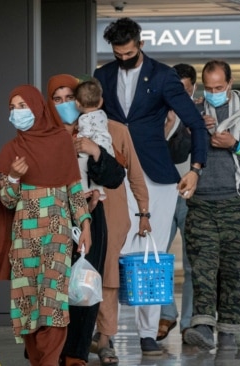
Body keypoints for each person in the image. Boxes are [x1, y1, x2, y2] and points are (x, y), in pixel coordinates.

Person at [94, 17, 208, 356]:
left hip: (158, 178)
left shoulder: (162, 76)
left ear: (140, 44)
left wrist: (196, 169)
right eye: (118, 54)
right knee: (109, 252)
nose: (124, 59)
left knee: (151, 257)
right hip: (115, 174)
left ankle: (147, 335)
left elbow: (196, 124)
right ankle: (106, 334)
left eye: (129, 53)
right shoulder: (103, 76)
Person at [0, 85, 92, 366]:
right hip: (23, 240)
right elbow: (6, 201)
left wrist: (85, 224)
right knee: (28, 304)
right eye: (12, 107)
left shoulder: (61, 141)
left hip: (57, 235)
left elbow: (73, 188)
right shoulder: (13, 149)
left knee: (53, 303)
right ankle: (40, 360)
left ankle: (50, 361)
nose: (17, 113)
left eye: (22, 106)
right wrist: (14, 178)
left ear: (38, 108)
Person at [183, 59, 240, 351]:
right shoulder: (194, 112)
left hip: (235, 203)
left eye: (219, 88)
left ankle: (230, 329)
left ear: (230, 84)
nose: (213, 93)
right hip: (201, 203)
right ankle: (204, 326)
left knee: (233, 270)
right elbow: (175, 148)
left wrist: (235, 145)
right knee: (203, 267)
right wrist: (194, 129)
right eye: (209, 88)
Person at [46, 74, 127, 366]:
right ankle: (49, 352)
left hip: (92, 216)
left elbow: (116, 177)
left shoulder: (101, 129)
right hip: (51, 217)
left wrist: (94, 151)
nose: (65, 104)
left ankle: (76, 354)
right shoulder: (41, 133)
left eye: (70, 98)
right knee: (52, 287)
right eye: (58, 99)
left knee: (84, 286)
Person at [158, 63, 197, 343]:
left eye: (184, 89)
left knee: (193, 261)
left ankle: (189, 322)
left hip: (191, 195)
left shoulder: (201, 115)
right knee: (157, 257)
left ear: (193, 88)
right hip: (161, 193)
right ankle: (167, 314)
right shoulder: (157, 114)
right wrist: (167, 125)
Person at [74, 78, 115, 201]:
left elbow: (87, 133)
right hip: (107, 148)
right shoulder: (102, 114)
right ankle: (98, 190)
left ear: (77, 103)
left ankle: (85, 190)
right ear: (100, 101)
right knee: (96, 171)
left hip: (91, 149)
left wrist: (78, 136)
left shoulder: (83, 118)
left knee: (81, 165)